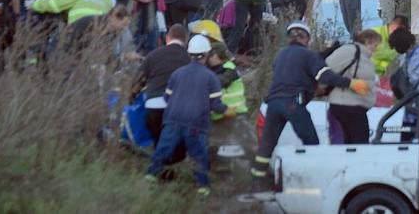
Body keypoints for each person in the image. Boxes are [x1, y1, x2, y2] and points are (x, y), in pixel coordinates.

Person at [251, 21, 370, 179]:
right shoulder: (308, 55)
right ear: (307, 38)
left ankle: (256, 181)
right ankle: (317, 179)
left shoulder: (281, 55)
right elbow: (324, 75)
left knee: (266, 146)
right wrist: (351, 83)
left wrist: (330, 50)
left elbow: (303, 63)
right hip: (293, 104)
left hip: (273, 104)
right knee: (312, 144)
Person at [145, 35, 232, 196]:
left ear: (189, 54)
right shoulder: (211, 77)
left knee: (162, 151)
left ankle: (150, 178)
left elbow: (166, 98)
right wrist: (227, 110)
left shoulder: (177, 73)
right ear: (206, 55)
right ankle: (202, 188)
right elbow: (216, 105)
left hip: (173, 120)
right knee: (199, 156)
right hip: (196, 124)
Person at [131, 24, 191, 146]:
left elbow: (137, 83)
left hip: (153, 107)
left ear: (167, 38)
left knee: (158, 141)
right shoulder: (189, 59)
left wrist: (131, 99)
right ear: (186, 40)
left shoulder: (153, 55)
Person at [326, 29, 381, 144]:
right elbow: (326, 69)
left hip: (357, 107)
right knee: (357, 146)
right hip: (345, 106)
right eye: (375, 45)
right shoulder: (350, 51)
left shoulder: (364, 57)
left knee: (357, 145)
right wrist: (348, 83)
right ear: (367, 41)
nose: (376, 49)